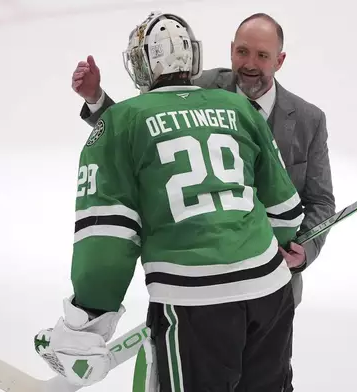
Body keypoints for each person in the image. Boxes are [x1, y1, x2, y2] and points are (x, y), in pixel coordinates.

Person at [34, 11, 304, 392]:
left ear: (142, 63)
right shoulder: (240, 108)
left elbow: (108, 239)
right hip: (271, 293)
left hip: (195, 303)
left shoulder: (122, 121)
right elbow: (286, 213)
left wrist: (86, 322)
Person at [72, 13, 336, 311]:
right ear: (231, 49)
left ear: (279, 60)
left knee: (268, 358)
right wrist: (96, 99)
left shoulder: (308, 120)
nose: (249, 63)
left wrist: (304, 250)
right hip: (200, 277)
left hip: (274, 281)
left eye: (262, 55)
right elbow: (143, 126)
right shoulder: (199, 89)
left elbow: (321, 202)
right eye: (242, 52)